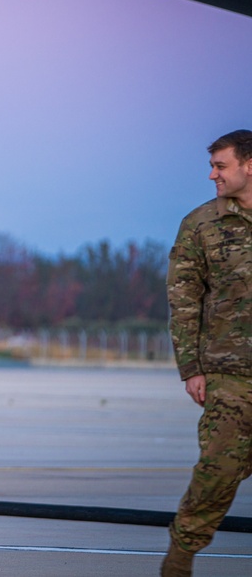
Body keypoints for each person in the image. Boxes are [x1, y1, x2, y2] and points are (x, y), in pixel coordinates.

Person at [162, 129, 252, 577]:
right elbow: (183, 300)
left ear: (249, 165)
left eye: (221, 165)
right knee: (218, 470)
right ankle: (179, 561)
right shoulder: (201, 223)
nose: (212, 174)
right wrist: (191, 368)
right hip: (230, 374)